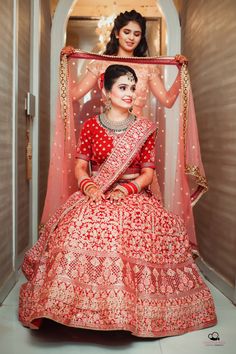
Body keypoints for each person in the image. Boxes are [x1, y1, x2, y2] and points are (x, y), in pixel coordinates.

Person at [19, 64, 217, 337]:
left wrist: (128, 190)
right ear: (106, 89)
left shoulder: (144, 128)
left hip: (134, 194)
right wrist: (88, 186)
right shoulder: (90, 127)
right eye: (123, 87)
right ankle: (68, 305)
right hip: (97, 190)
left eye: (132, 88)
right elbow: (80, 167)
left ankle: (129, 309)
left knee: (133, 231)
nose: (130, 93)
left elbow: (148, 174)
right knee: (73, 229)